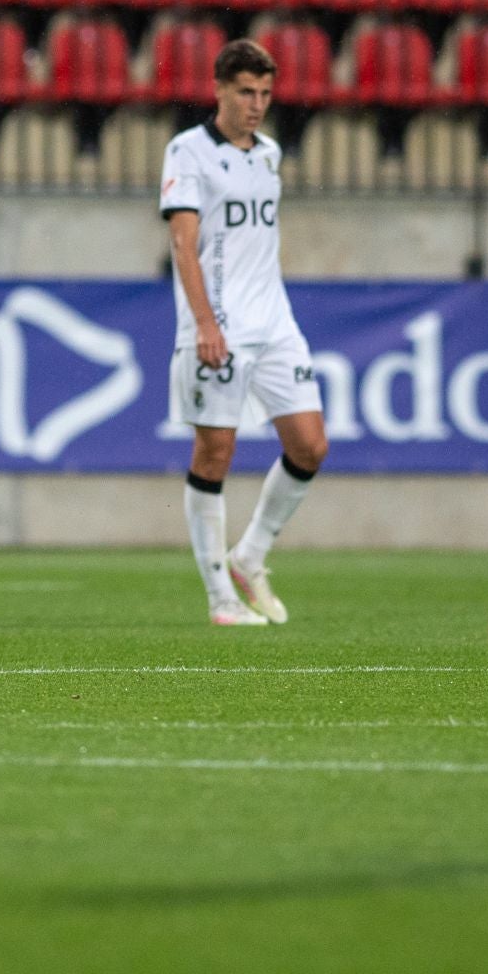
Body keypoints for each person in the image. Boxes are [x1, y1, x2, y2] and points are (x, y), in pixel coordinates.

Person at [160, 39, 329, 628]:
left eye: (264, 93)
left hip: (275, 322)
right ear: (219, 90)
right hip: (221, 326)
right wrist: (205, 322)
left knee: (310, 444)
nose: (256, 105)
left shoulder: (269, 154)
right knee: (216, 451)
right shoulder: (187, 152)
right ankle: (220, 600)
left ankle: (250, 556)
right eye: (245, 92)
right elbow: (183, 243)